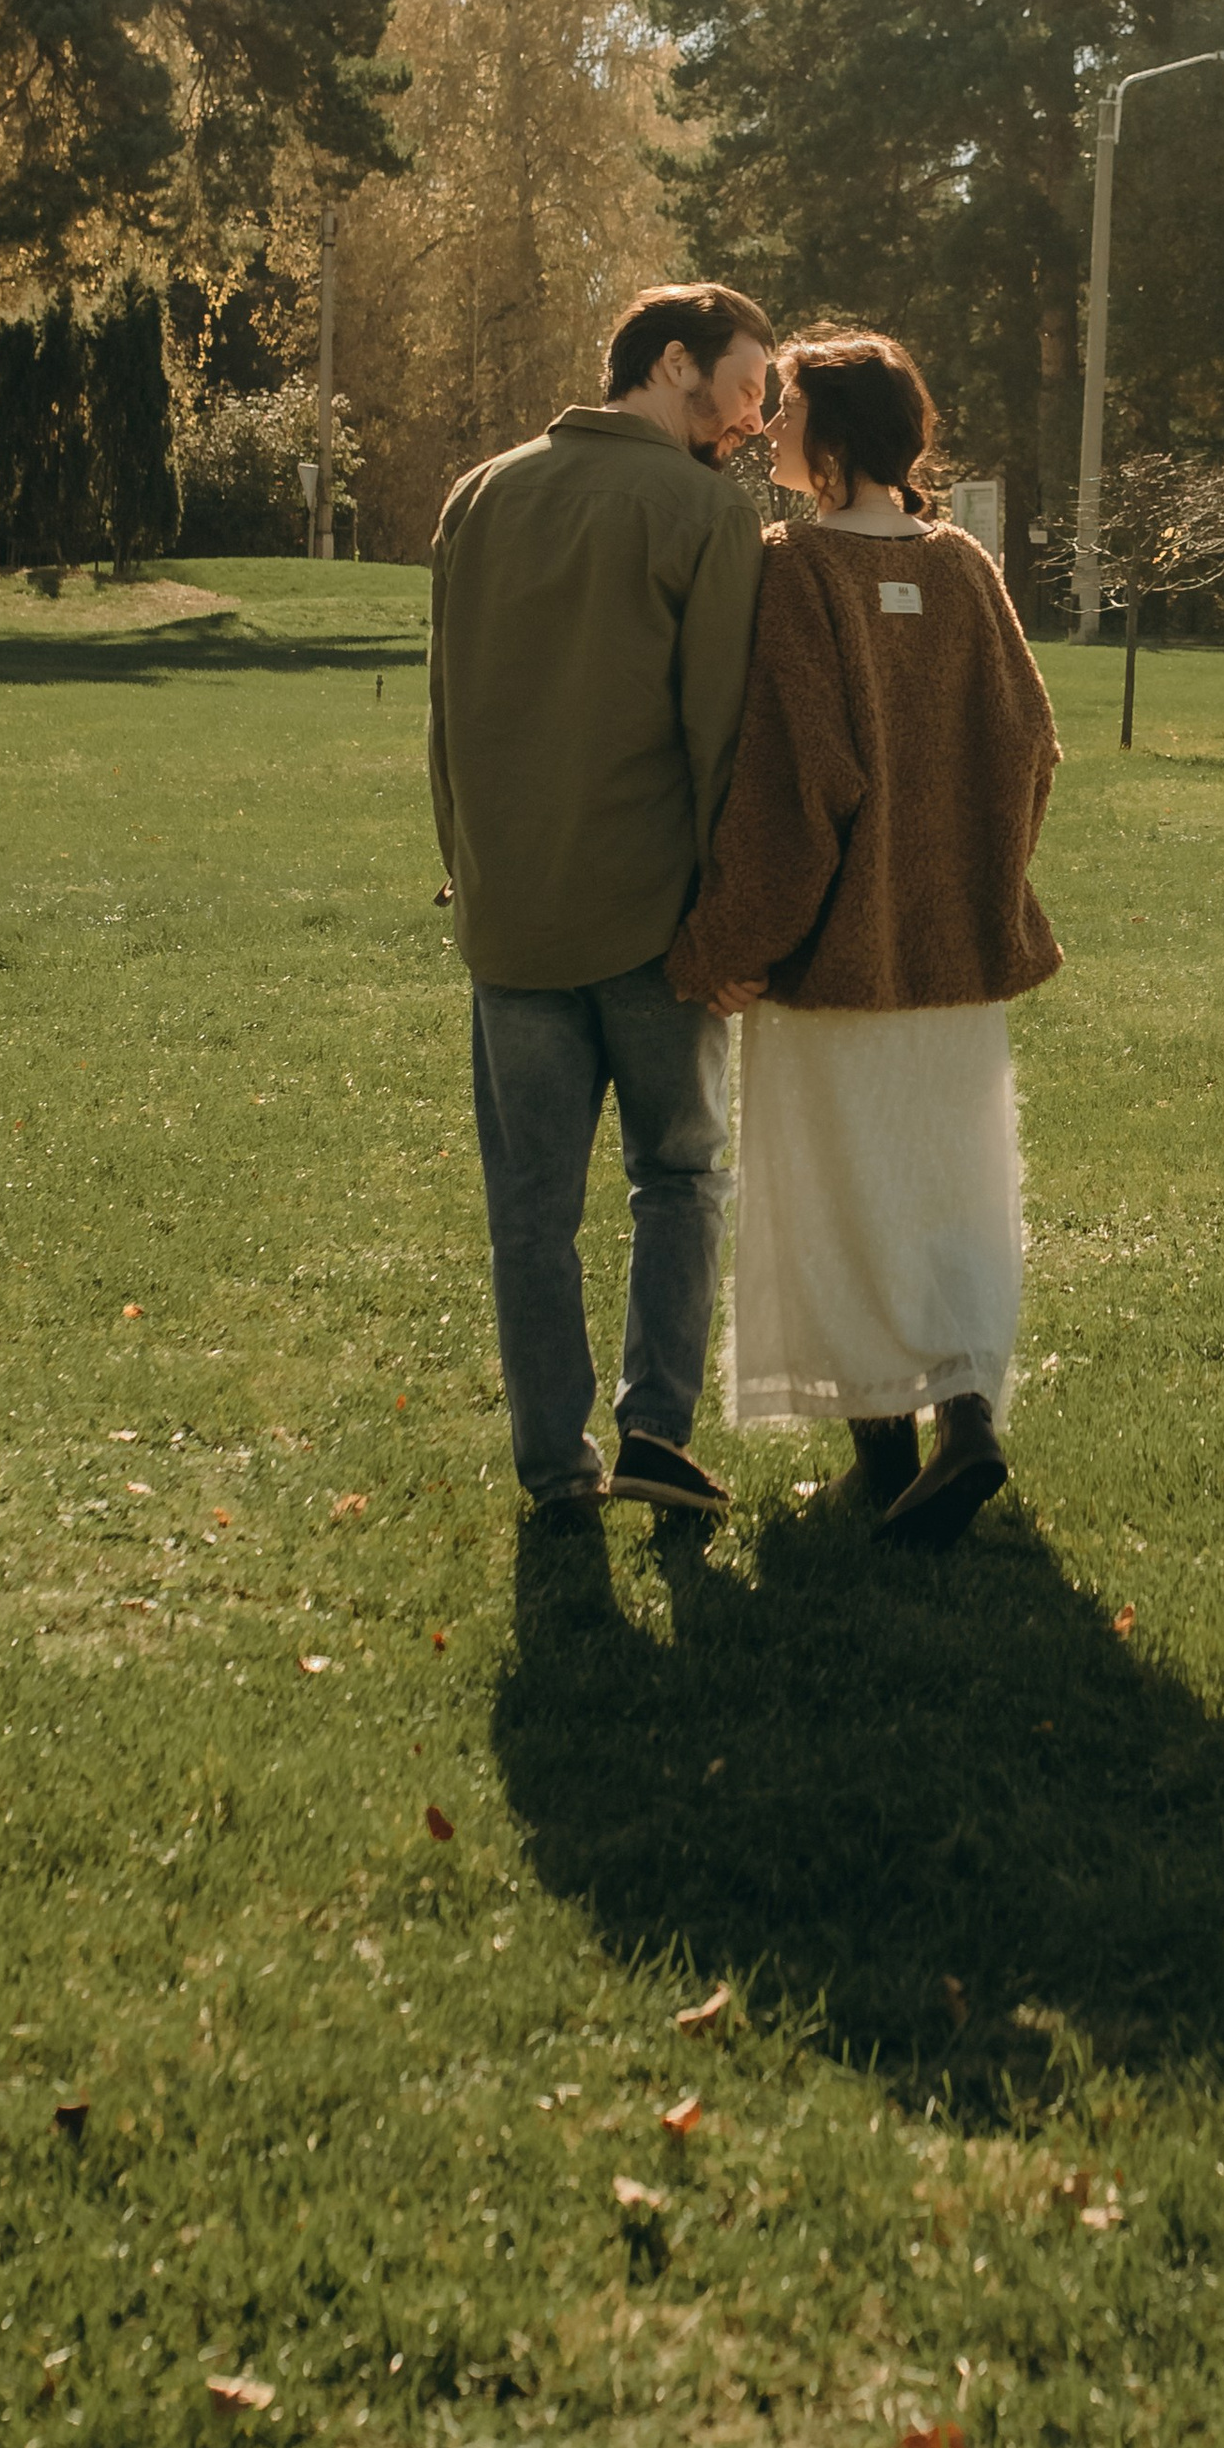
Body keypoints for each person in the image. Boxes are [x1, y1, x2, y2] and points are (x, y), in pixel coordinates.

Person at [669, 332, 1062, 1548]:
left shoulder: (796, 569)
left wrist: (716, 947)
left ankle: (889, 1453)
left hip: (838, 968)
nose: (768, 427)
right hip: (959, 968)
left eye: (783, 410)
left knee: (839, 1202)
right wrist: (975, 891)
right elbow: (1031, 746)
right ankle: (963, 1426)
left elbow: (796, 788)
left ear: (831, 440)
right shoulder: (964, 567)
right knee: (945, 1197)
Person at [429, 283, 776, 1520]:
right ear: (671, 362)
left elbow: (444, 717)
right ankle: (655, 1435)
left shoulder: (478, 493)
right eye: (742, 393)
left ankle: (551, 1466)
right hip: (654, 924)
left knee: (529, 1211)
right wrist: (733, 927)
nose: (750, 424)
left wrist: (465, 866)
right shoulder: (700, 511)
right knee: (678, 1176)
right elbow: (720, 738)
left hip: (508, 915)